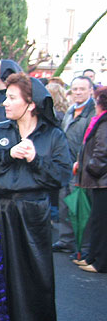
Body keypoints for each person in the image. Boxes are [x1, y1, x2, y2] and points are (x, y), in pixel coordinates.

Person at [0, 73, 72, 321]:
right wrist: (8, 154)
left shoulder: (52, 136)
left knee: (30, 273)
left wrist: (34, 159)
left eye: (12, 97)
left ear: (31, 104)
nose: (5, 102)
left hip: (32, 213)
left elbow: (62, 176)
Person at [53, 76, 95, 254]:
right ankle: (66, 240)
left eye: (82, 89)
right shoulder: (71, 110)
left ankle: (83, 246)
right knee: (64, 205)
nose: (78, 92)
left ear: (90, 91)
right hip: (66, 165)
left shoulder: (92, 112)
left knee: (81, 208)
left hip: (82, 167)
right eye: (75, 89)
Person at [75, 86, 107, 273]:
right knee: (96, 221)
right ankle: (93, 257)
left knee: (101, 223)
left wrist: (91, 169)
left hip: (102, 180)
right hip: (100, 180)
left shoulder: (104, 122)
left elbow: (102, 151)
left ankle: (99, 261)